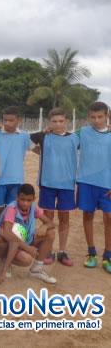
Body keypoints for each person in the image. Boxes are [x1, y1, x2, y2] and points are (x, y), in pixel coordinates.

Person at [30, 107, 79, 266]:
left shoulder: (74, 138)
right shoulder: (44, 137)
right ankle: (48, 249)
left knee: (64, 218)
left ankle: (62, 251)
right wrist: (43, 133)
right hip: (47, 183)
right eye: (54, 121)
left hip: (67, 184)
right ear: (49, 122)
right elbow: (28, 142)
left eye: (61, 121)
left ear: (66, 121)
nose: (58, 124)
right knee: (48, 218)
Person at [76, 101, 111, 273]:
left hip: (107, 184)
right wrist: (48, 132)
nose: (97, 120)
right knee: (88, 215)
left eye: (100, 117)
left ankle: (108, 255)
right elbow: (65, 140)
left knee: (109, 219)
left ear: (107, 116)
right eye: (93, 117)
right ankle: (91, 253)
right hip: (86, 182)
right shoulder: (82, 132)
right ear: (88, 117)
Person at [0, 184, 57, 284]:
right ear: (17, 198)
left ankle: (36, 269)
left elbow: (51, 223)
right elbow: (7, 233)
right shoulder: (12, 209)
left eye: (29, 200)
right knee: (26, 260)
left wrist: (44, 226)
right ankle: (4, 259)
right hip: (9, 243)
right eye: (22, 199)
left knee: (50, 233)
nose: (25, 203)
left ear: (34, 199)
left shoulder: (33, 207)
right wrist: (28, 248)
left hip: (24, 239)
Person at [0, 106, 32, 221]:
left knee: (12, 211)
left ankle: (11, 238)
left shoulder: (24, 136)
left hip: (16, 179)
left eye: (11, 120)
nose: (7, 123)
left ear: (19, 120)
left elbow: (36, 148)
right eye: (5, 120)